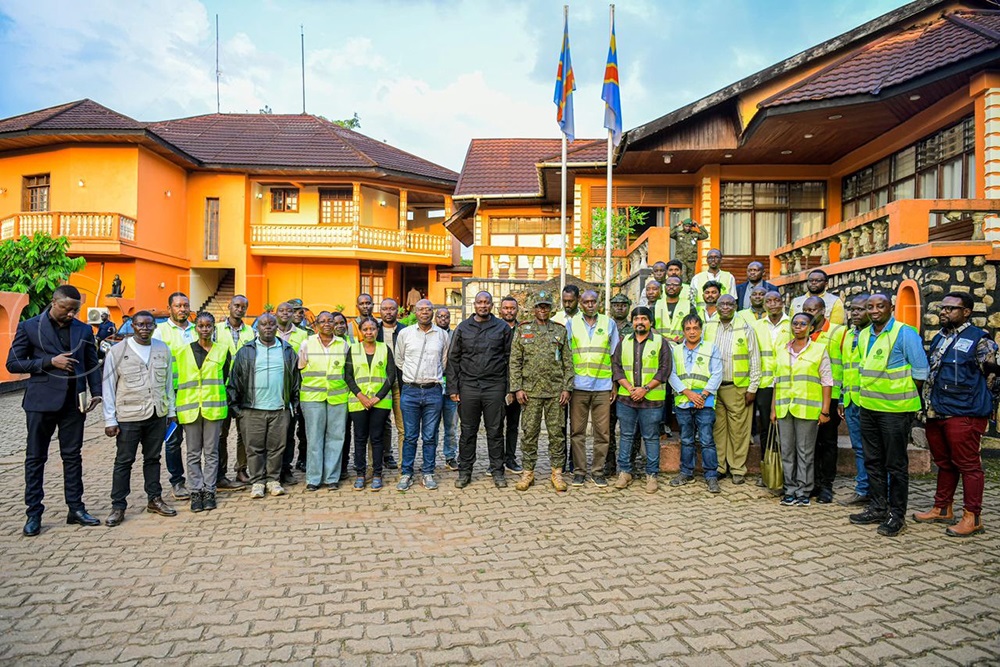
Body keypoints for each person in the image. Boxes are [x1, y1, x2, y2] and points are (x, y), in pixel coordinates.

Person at [7, 285, 103, 536]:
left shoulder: (83, 329)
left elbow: (91, 362)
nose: (71, 314)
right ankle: (33, 513)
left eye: (75, 310)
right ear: (54, 302)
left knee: (72, 457)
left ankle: (76, 508)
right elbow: (13, 363)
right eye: (66, 309)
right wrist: (50, 362)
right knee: (35, 458)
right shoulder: (29, 327)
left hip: (73, 404)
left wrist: (96, 392)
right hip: (40, 403)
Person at [913, 292, 998, 537]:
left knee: (969, 465)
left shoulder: (979, 340)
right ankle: (942, 508)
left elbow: (993, 376)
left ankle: (973, 517)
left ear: (966, 312)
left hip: (964, 412)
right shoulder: (940, 337)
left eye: (950, 308)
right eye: (943, 307)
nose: (944, 311)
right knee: (944, 462)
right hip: (936, 410)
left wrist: (983, 403)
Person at [848, 293, 928, 537]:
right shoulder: (863, 335)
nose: (874, 311)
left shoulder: (905, 333)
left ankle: (897, 515)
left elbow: (920, 372)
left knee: (895, 464)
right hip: (868, 407)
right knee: (873, 460)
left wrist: (903, 396)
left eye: (879, 306)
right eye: (870, 307)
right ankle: (878, 507)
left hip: (895, 411)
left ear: (891, 308)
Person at [103, 310, 177, 526]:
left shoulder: (162, 349)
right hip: (129, 416)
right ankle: (118, 506)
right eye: (140, 324)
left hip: (156, 414)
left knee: (153, 459)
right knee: (124, 461)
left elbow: (168, 384)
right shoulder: (117, 351)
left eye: (149, 325)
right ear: (132, 326)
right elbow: (108, 387)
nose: (145, 328)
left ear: (154, 326)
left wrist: (171, 412)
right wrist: (110, 420)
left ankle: (154, 499)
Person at [227, 312, 300, 499]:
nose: (268, 327)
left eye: (271, 324)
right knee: (254, 448)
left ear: (277, 327)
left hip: (279, 409)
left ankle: (273, 480)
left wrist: (293, 405)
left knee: (277, 447)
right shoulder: (246, 351)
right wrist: (236, 409)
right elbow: (235, 380)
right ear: (257, 328)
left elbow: (295, 381)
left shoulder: (287, 350)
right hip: (252, 409)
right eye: (263, 324)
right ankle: (258, 481)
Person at [447, 291, 513, 488]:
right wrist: (453, 388)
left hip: (495, 386)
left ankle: (498, 471)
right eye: (479, 302)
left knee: (495, 431)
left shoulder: (502, 327)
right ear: (474, 305)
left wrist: (510, 388)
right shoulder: (463, 328)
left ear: (492, 305)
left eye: (486, 302)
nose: (483, 305)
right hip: (469, 386)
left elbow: (510, 358)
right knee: (467, 432)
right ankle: (465, 472)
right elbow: (453, 358)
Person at [509, 291, 574, 492]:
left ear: (551, 308)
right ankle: (528, 472)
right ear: (533, 308)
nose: (542, 309)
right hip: (530, 392)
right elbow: (515, 361)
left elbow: (568, 361)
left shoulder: (560, 330)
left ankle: (557, 472)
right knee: (529, 433)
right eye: (539, 306)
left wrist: (567, 388)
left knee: (557, 434)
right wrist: (517, 388)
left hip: (555, 392)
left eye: (546, 306)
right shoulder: (523, 330)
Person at [771, 312, 833, 507]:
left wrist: (825, 410)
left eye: (803, 324)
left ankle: (803, 491)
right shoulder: (782, 349)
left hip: (807, 409)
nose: (798, 327)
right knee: (787, 451)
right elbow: (777, 382)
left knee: (805, 452)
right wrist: (773, 409)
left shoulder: (819, 350)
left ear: (811, 328)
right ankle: (789, 490)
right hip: (784, 408)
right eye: (795, 323)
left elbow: (827, 382)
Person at [612, 306, 671, 493]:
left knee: (651, 437)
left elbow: (664, 370)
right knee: (626, 436)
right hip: (626, 399)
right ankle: (625, 472)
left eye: (644, 319)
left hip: (652, 400)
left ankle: (652, 475)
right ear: (632, 322)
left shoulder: (660, 342)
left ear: (650, 322)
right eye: (636, 319)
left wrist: (645, 389)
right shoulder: (624, 342)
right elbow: (616, 367)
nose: (640, 322)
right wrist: (630, 388)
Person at [175, 312, 230, 513]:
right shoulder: (182, 352)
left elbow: (225, 377)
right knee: (193, 453)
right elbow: (176, 381)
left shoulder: (222, 351)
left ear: (214, 328)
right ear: (195, 328)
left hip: (213, 409)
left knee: (212, 452)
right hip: (190, 408)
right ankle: (195, 491)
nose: (205, 329)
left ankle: (209, 491)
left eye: (208, 326)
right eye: (201, 325)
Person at [703, 294, 761, 484]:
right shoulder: (709, 326)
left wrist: (752, 387)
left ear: (735, 306)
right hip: (713, 387)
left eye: (730, 304)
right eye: (722, 304)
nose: (726, 307)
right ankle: (720, 466)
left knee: (738, 431)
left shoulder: (745, 328)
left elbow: (754, 359)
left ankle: (737, 468)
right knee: (718, 429)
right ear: (717, 306)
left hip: (737, 386)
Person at [568, 290, 620, 487]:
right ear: (580, 304)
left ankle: (598, 471)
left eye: (593, 301)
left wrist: (614, 383)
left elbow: (614, 355)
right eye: (586, 302)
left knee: (603, 433)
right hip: (578, 386)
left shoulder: (609, 323)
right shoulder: (572, 323)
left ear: (599, 303)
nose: (590, 305)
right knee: (577, 432)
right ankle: (579, 471)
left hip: (602, 385)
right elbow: (566, 354)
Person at [395, 299, 449, 491]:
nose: (425, 312)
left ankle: (428, 472)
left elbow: (444, 361)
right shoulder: (405, 333)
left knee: (430, 436)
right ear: (415, 312)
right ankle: (406, 473)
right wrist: (414, 376)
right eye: (420, 309)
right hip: (410, 390)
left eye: (428, 309)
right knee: (410, 436)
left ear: (433, 312)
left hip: (433, 391)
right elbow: (399, 360)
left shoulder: (442, 335)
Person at [669, 314, 723, 493]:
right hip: (684, 401)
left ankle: (711, 476)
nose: (692, 332)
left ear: (701, 330)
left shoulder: (711, 348)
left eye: (695, 328)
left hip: (705, 402)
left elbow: (717, 373)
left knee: (707, 440)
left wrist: (703, 395)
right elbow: (671, 374)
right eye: (688, 329)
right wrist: (689, 393)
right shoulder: (676, 350)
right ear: (683, 331)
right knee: (686, 439)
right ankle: (686, 473)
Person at [298, 311, 350, 492]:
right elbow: (301, 367)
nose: (327, 324)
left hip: (338, 397)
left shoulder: (343, 344)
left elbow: (347, 371)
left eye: (330, 321)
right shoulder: (307, 343)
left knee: (336, 437)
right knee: (314, 438)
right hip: (312, 398)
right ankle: (313, 478)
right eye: (322, 321)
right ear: (316, 325)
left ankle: (331, 477)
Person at [801, 296, 846, 504]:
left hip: (832, 396)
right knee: (810, 442)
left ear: (823, 311)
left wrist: (843, 397)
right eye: (806, 309)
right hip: (808, 395)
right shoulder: (802, 332)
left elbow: (847, 365)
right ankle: (812, 482)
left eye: (813, 309)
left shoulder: (838, 332)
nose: (809, 313)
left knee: (828, 442)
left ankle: (827, 485)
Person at [346, 317, 395, 491]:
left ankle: (377, 474)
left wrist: (377, 397)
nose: (369, 332)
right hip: (358, 401)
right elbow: (348, 375)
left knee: (377, 438)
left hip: (380, 402)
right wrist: (361, 396)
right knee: (360, 438)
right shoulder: (353, 349)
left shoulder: (384, 348)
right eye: (365, 329)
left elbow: (391, 375)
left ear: (377, 330)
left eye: (372, 329)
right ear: (360, 331)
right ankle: (360, 474)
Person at [153, 292, 193, 500]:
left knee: (196, 441)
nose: (182, 309)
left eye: (185, 305)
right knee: (173, 440)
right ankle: (177, 481)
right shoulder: (160, 332)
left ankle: (198, 479)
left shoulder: (197, 329)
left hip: (195, 392)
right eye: (178, 305)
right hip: (172, 393)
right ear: (169, 308)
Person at [752, 290, 792, 486]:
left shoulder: (792, 324)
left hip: (788, 384)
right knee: (766, 428)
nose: (773, 304)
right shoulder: (757, 326)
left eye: (777, 300)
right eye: (769, 301)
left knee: (787, 428)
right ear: (764, 304)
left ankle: (787, 472)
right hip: (765, 384)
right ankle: (767, 470)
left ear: (782, 302)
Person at [215, 295, 253, 489]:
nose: (239, 309)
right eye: (236, 305)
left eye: (243, 306)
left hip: (243, 389)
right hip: (221, 388)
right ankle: (220, 473)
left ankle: (241, 469)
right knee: (221, 434)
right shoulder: (216, 330)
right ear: (229, 306)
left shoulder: (251, 331)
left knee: (243, 432)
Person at [837, 294, 871, 507]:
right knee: (858, 448)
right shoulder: (849, 335)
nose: (855, 313)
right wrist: (842, 398)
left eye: (861, 309)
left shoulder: (874, 335)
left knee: (875, 450)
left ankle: (880, 492)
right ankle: (863, 490)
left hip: (871, 401)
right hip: (851, 400)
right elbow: (844, 369)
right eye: (853, 309)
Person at [275, 301, 308, 484]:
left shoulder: (302, 334)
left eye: (290, 311)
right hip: (272, 387)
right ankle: (273, 469)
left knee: (290, 431)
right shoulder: (268, 331)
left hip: (294, 387)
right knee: (273, 432)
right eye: (282, 310)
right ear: (276, 313)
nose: (286, 313)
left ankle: (286, 468)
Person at [377, 297, 406, 469]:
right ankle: (385, 456)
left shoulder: (405, 331)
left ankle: (404, 465)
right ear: (380, 311)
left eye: (392, 308)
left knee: (402, 425)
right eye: (385, 308)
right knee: (382, 423)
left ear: (398, 311)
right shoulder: (374, 330)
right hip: (380, 382)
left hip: (400, 382)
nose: (388, 312)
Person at [498, 295, 523, 473]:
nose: (509, 311)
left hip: (518, 385)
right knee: (496, 425)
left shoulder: (523, 330)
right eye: (506, 308)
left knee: (513, 425)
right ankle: (497, 460)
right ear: (500, 310)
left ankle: (510, 459)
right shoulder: (494, 328)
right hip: (497, 385)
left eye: (512, 308)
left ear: (517, 310)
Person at [435, 307, 459, 470]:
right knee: (432, 427)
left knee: (451, 426)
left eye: (446, 316)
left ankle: (450, 456)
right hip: (434, 387)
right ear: (435, 318)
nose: (443, 319)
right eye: (440, 316)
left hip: (451, 386)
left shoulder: (455, 335)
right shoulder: (431, 335)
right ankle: (430, 458)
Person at [669, 217, 709, 282]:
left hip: (691, 259)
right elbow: (670, 234)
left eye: (689, 226)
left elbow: (705, 235)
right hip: (680, 258)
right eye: (686, 226)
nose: (687, 228)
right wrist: (676, 225)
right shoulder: (678, 233)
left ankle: (690, 288)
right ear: (683, 226)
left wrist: (699, 226)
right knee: (683, 276)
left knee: (691, 277)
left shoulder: (695, 234)